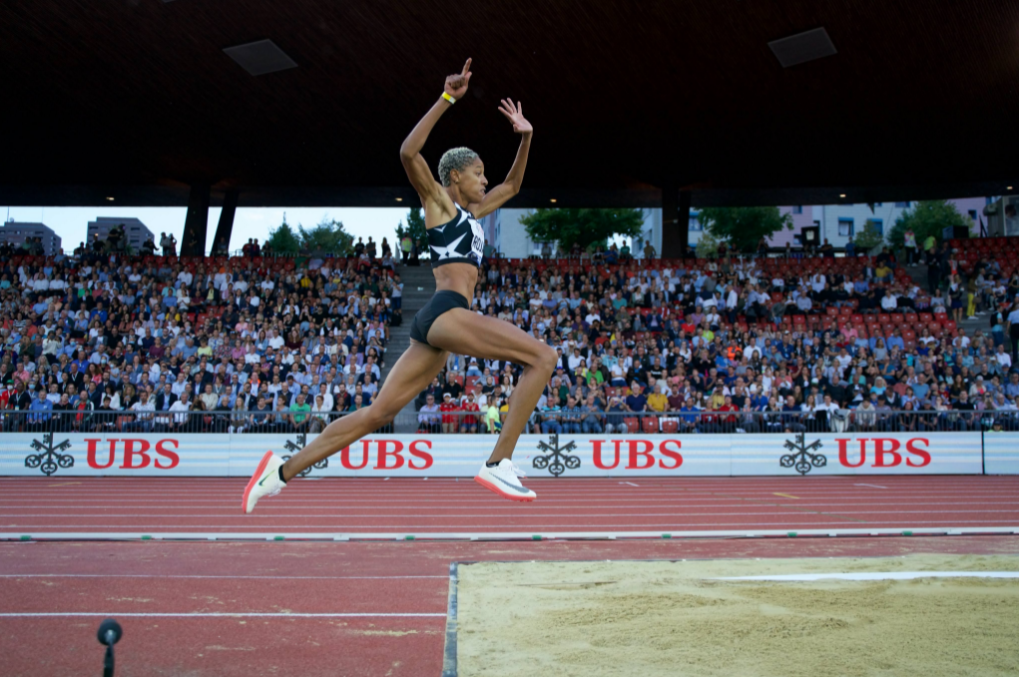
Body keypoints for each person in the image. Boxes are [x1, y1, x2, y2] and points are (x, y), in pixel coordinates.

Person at [244, 59, 549, 511]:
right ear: (454, 179)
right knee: (543, 357)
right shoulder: (440, 204)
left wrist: (525, 138)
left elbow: (512, 185)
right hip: (447, 311)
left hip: (440, 326)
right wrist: (447, 99)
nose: (485, 179)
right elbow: (409, 153)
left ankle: (279, 471)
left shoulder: (472, 215)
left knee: (378, 414)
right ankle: (498, 462)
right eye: (478, 172)